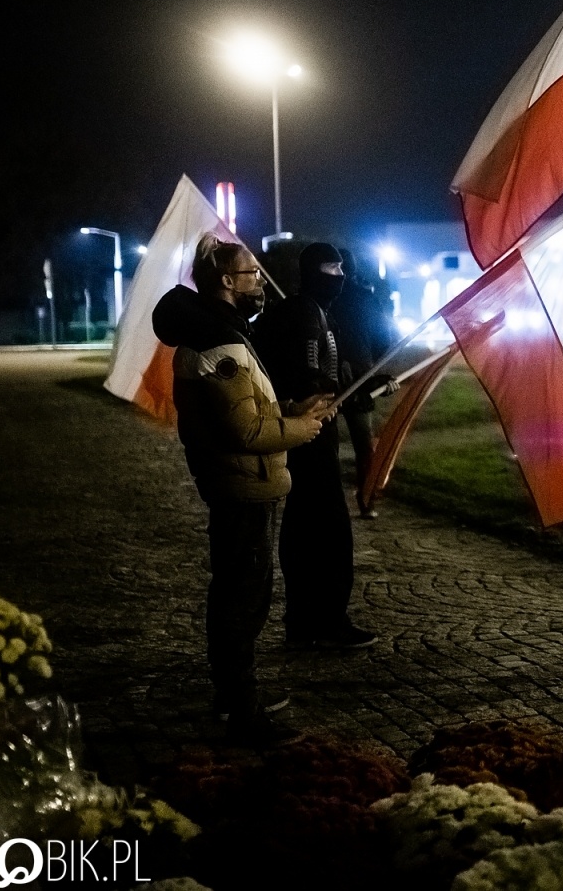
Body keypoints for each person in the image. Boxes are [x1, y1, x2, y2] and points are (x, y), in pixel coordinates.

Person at [152, 236, 332, 746]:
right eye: (252, 274)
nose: (261, 282)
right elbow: (245, 433)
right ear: (227, 282)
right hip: (243, 486)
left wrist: (296, 412)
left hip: (244, 482)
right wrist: (301, 432)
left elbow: (251, 413)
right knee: (242, 598)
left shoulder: (221, 334)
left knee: (242, 592)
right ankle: (242, 709)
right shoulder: (220, 345)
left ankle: (236, 691)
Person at [255, 242, 377, 650]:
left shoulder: (320, 312)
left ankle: (313, 619)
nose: (339, 273)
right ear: (311, 271)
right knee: (323, 531)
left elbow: (327, 370)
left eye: (342, 265)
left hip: (317, 433)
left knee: (318, 527)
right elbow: (305, 371)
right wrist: (321, 390)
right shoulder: (304, 312)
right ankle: (320, 621)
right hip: (306, 437)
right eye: (330, 266)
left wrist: (351, 386)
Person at [328, 248, 398, 519]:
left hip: (346, 378)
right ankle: (366, 500)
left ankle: (350, 499)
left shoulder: (331, 298)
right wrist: (375, 370)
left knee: (335, 444)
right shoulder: (363, 298)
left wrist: (377, 374)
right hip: (352, 377)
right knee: (361, 445)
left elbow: (381, 338)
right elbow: (384, 339)